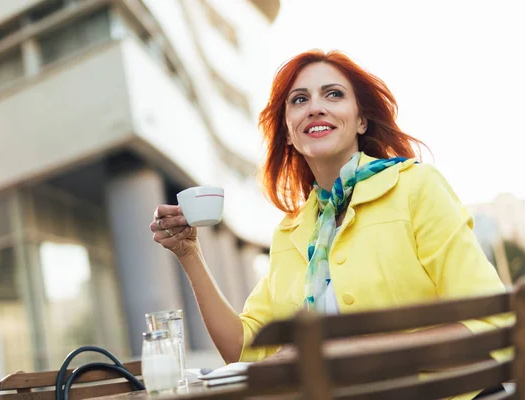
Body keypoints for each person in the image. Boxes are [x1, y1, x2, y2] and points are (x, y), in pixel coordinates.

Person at [149, 50, 510, 397]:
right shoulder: (291, 232)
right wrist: (189, 253)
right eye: (299, 100)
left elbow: (489, 324)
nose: (315, 107)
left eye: (333, 94)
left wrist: (344, 351)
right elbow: (243, 350)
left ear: (361, 120)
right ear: (289, 133)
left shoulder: (416, 187)